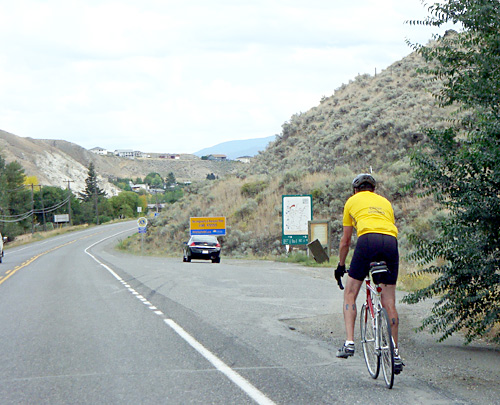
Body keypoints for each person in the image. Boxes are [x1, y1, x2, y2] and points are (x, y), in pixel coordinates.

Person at [334, 173, 404, 374]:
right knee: (389, 301)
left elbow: (346, 240)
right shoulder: (385, 202)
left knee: (350, 292)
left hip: (367, 240)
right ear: (373, 189)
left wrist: (341, 265)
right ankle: (395, 353)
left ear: (355, 190)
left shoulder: (351, 201)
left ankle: (349, 342)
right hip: (390, 242)